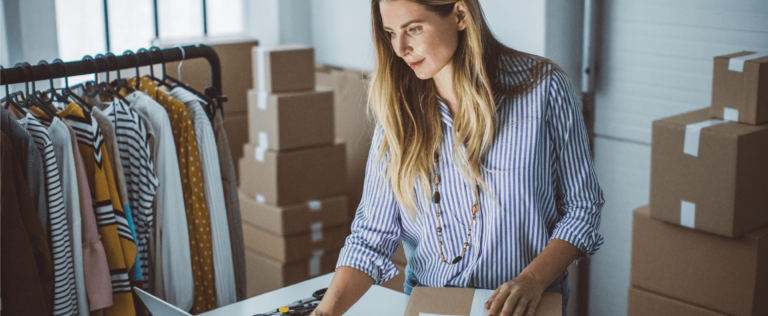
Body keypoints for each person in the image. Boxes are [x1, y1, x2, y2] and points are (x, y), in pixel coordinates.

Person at [311, 1, 604, 315]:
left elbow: (582, 207)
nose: (400, 48)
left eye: (413, 29)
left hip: (525, 307)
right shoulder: (398, 114)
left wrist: (532, 279)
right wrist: (324, 312)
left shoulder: (543, 88)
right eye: (390, 33)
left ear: (460, 15)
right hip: (431, 306)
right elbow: (371, 238)